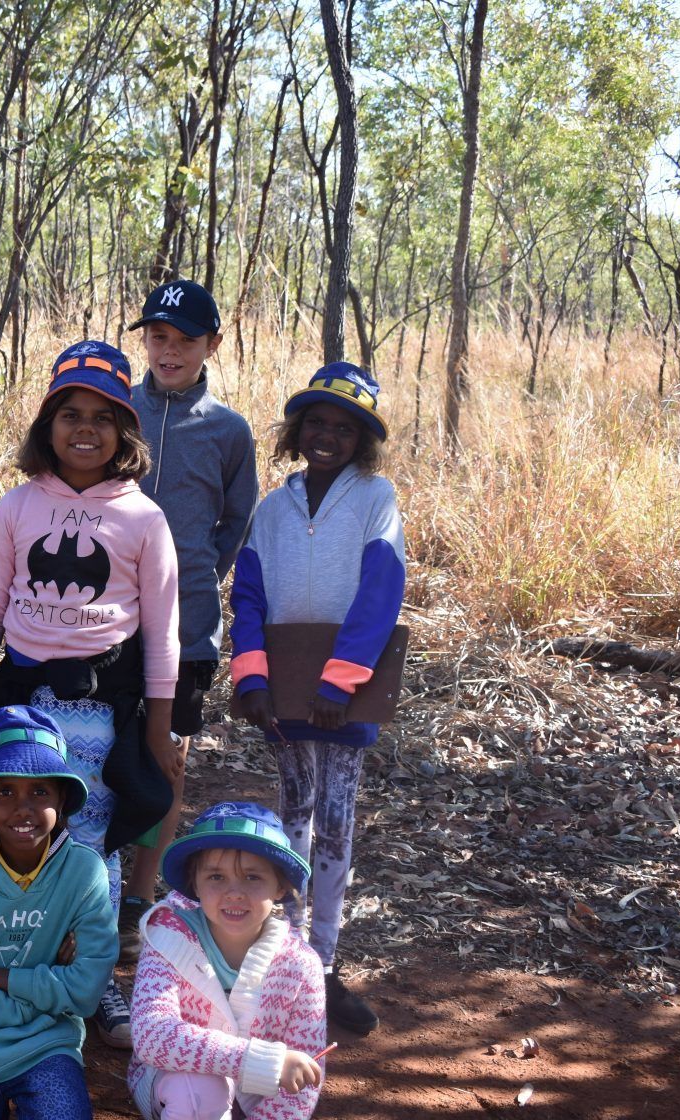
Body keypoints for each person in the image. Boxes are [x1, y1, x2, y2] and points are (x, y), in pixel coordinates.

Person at [0, 339, 181, 1048]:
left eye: (103, 417)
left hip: (100, 713)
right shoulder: (18, 507)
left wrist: (155, 733)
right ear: (47, 426)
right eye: (69, 414)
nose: (85, 429)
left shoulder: (143, 517)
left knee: (88, 845)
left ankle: (95, 979)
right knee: (7, 832)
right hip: (21, 703)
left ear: (124, 433)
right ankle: (2, 967)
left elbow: (162, 633)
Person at [228, 362, 405, 1036]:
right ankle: (289, 956)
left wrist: (341, 680)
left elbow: (380, 592)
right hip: (283, 693)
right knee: (291, 816)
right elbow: (249, 593)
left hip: (342, 697)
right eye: (317, 422)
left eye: (345, 427)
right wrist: (251, 677)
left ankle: (324, 963)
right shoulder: (274, 508)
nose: (328, 434)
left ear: (362, 441)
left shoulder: (374, 499)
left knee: (335, 824)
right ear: (298, 431)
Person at [119, 280, 259, 956]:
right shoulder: (117, 408)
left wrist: (196, 576)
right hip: (106, 619)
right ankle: (94, 878)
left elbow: (235, 521)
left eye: (185, 340)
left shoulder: (228, 430)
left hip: (189, 625)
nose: (168, 351)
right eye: (157, 337)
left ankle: (141, 891)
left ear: (213, 344)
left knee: (168, 757)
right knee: (107, 747)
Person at [0, 706, 116, 1120]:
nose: (23, 808)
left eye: (40, 792)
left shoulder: (85, 872)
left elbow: (86, 992)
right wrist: (46, 1000)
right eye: (6, 792)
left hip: (50, 1048)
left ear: (62, 798)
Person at [127, 802, 326, 1120]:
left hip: (256, 1097)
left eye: (252, 877)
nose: (234, 892)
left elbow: (303, 1082)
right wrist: (256, 1061)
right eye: (217, 877)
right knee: (200, 1090)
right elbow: (152, 1035)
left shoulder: (301, 965)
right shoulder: (167, 937)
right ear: (194, 882)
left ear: (281, 886)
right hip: (175, 1083)